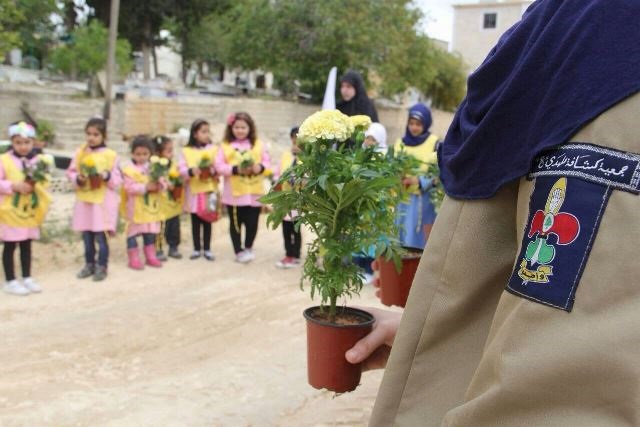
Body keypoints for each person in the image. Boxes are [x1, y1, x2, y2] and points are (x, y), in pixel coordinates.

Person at [347, 1, 640, 425]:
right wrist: (437, 340)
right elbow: (504, 272)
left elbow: (561, 396)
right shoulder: (561, 32)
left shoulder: (609, 52)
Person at [66, 118, 121, 282]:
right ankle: (89, 264)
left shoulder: (111, 155)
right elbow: (70, 172)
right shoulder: (80, 153)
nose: (91, 138)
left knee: (101, 236)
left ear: (104, 136)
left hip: (102, 203)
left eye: (96, 134)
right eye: (88, 134)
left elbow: (118, 179)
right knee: (87, 236)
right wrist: (78, 178)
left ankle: (102, 265)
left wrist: (105, 175)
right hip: (85, 202)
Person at [0, 122, 52, 295]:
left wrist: (37, 183)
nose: (23, 147)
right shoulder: (4, 160)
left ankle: (27, 276)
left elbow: (44, 182)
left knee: (26, 244)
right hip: (10, 211)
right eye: (18, 142)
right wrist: (13, 186)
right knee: (10, 245)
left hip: (29, 210)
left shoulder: (37, 161)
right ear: (12, 142)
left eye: (26, 142)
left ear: (33, 142)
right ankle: (10, 280)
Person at [215, 112, 271, 264]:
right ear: (231, 128)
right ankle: (238, 251)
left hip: (254, 194)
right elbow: (218, 166)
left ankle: (248, 247)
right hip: (234, 195)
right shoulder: (225, 146)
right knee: (235, 225)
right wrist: (235, 170)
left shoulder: (259, 144)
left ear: (250, 128)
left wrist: (259, 167)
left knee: (252, 224)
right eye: (236, 127)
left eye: (243, 127)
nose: (240, 130)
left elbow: (267, 162)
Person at [394, 103, 440, 249]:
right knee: (400, 238)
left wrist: (419, 180)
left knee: (418, 240)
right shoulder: (400, 143)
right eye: (411, 123)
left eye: (418, 124)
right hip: (402, 198)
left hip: (422, 200)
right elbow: (393, 166)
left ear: (426, 123)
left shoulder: (434, 143)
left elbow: (440, 172)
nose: (414, 127)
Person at [121, 136, 165, 270]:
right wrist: (145, 187)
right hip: (135, 207)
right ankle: (133, 258)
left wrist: (160, 185)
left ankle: (150, 256)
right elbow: (129, 187)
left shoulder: (154, 168)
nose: (141, 157)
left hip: (150, 208)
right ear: (132, 154)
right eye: (138, 154)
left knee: (149, 232)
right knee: (132, 233)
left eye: (145, 154)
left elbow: (163, 183)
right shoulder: (128, 170)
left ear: (150, 154)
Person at [179, 119, 218, 261]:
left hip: (209, 190)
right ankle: (196, 249)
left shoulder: (214, 149)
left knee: (208, 220)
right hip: (194, 191)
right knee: (195, 220)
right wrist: (191, 171)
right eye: (203, 131)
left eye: (208, 131)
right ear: (195, 134)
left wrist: (213, 171)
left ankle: (207, 248)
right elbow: (181, 169)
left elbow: (218, 166)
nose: (206, 134)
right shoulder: (186, 151)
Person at [274, 126, 301, 269]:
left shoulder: (306, 158)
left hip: (296, 200)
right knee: (285, 227)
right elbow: (277, 172)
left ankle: (295, 254)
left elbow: (308, 177)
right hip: (284, 199)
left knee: (295, 227)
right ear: (291, 139)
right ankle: (288, 254)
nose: (296, 141)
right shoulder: (285, 155)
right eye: (294, 138)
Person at [154, 135, 183, 261]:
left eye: (172, 150)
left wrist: (176, 184)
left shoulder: (174, 165)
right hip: (159, 203)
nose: (172, 153)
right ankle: (158, 248)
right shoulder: (154, 167)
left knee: (174, 225)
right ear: (158, 153)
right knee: (158, 227)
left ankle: (173, 246)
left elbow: (180, 179)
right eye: (168, 151)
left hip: (172, 202)